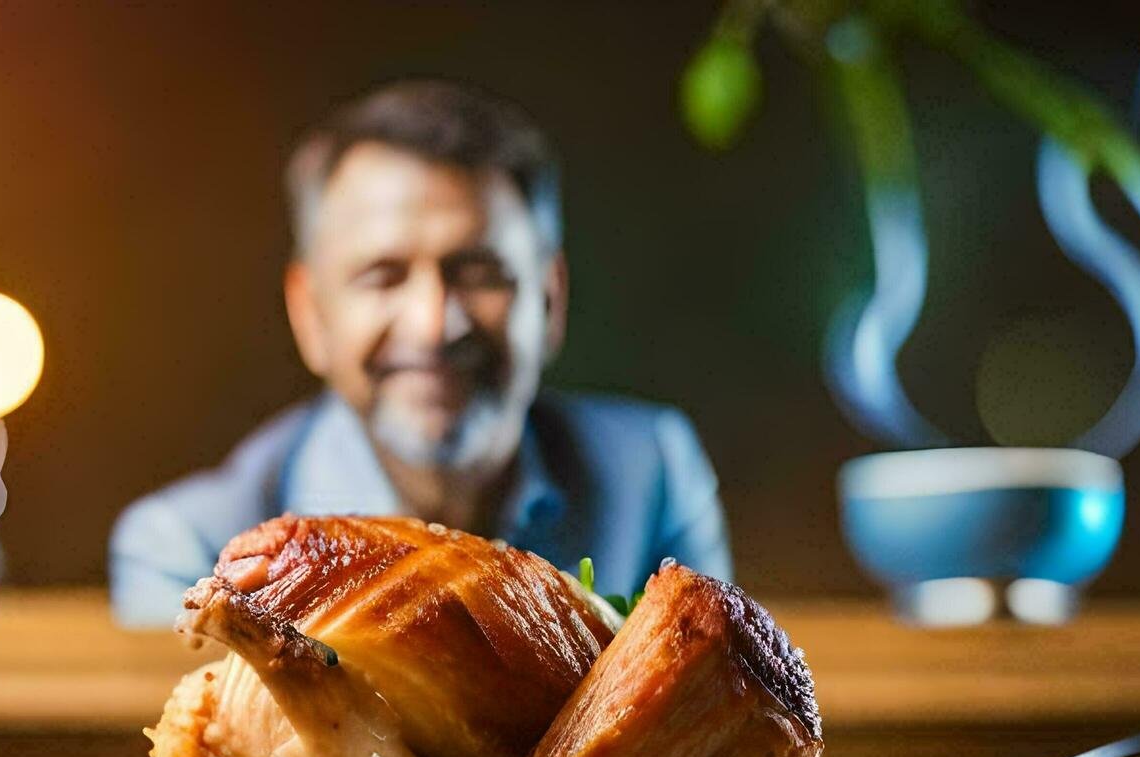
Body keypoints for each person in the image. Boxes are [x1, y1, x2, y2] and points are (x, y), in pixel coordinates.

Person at [111, 79, 730, 627]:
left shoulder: (650, 476)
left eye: (479, 272)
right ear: (311, 315)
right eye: (383, 275)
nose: (433, 324)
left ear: (549, 299)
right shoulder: (190, 552)